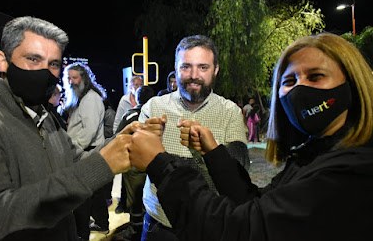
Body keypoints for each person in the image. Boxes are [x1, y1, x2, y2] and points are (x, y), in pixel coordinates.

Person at [128, 33, 373, 241]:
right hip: (160, 223)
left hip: (205, 218)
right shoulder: (311, 155)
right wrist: (213, 152)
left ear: (215, 70)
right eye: (289, 80)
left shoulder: (353, 170)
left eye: (316, 76)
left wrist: (161, 162)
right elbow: (252, 200)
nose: (300, 89)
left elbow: (242, 225)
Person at [0, 16, 132, 241]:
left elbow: (79, 160)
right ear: (3, 61)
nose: (45, 73)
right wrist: (100, 166)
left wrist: (122, 141)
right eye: (33, 59)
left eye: (53, 64)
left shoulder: (46, 117)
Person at [138, 35, 249, 240]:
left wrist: (210, 150)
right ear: (176, 67)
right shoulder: (154, 107)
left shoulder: (230, 111)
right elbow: (133, 167)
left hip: (209, 225)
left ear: (215, 69)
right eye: (186, 67)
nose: (194, 75)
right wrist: (145, 144)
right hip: (160, 225)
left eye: (203, 67)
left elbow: (240, 170)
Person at [62, 62, 110, 238]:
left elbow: (88, 132)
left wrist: (72, 150)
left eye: (75, 77)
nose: (72, 81)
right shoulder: (81, 97)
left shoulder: (90, 98)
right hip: (85, 152)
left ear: (84, 78)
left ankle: (85, 230)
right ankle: (100, 223)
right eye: (68, 78)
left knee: (83, 195)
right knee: (94, 193)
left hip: (86, 152)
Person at [114, 85, 155, 240]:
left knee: (135, 200)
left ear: (137, 99)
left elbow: (119, 136)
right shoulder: (156, 115)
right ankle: (146, 228)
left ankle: (135, 230)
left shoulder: (130, 115)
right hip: (153, 163)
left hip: (134, 165)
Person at [113, 75, 144, 214]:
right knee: (125, 173)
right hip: (126, 141)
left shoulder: (146, 102)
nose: (136, 86)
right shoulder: (124, 100)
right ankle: (122, 203)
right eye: (134, 84)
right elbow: (118, 120)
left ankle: (136, 207)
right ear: (130, 86)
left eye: (139, 84)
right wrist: (116, 139)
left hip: (140, 145)